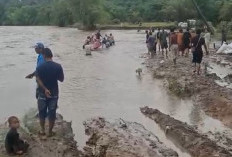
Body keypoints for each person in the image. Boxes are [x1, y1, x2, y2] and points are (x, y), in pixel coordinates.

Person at [36, 48, 64, 137]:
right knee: (52, 112)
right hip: (54, 93)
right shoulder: (58, 66)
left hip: (42, 92)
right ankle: (50, 132)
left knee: (42, 112)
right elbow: (61, 79)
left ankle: (42, 130)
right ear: (51, 55)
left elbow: (37, 79)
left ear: (44, 55)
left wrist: (45, 89)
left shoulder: (40, 67)